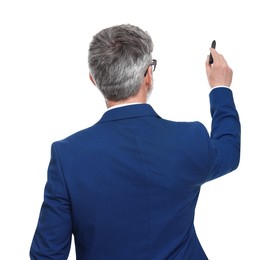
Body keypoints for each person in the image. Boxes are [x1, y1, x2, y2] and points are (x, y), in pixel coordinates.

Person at [30, 24, 240, 259]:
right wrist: (220, 88)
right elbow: (228, 151)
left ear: (94, 80)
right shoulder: (189, 139)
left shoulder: (67, 156)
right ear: (148, 75)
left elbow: (47, 255)